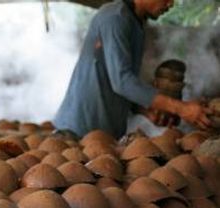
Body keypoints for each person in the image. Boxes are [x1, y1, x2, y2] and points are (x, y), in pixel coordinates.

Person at [54, 0, 214, 139]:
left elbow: (114, 82)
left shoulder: (134, 23)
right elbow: (122, 82)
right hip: (77, 131)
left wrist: (144, 110)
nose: (170, 4)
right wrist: (181, 108)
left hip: (103, 135)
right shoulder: (114, 18)